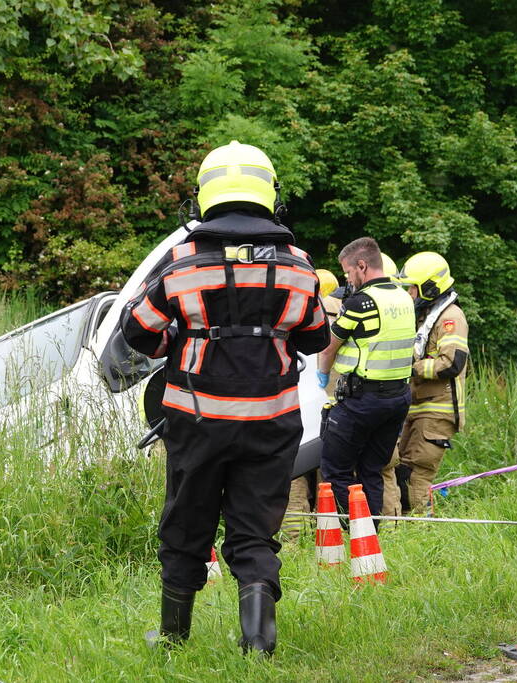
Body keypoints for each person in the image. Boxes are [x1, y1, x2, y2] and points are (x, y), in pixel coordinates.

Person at [120, 140, 330, 655]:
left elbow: (137, 329)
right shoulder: (299, 265)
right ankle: (257, 642)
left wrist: (182, 339)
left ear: (204, 197)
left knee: (186, 523)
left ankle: (173, 637)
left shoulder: (181, 261)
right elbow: (316, 338)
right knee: (255, 529)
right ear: (269, 194)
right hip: (272, 422)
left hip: (197, 423)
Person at [315, 237, 415, 525]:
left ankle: (353, 533)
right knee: (372, 469)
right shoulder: (403, 297)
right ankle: (373, 537)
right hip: (397, 398)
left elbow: (328, 346)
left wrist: (322, 376)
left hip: (361, 400)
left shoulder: (362, 302)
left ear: (362, 265)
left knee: (335, 470)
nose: (347, 279)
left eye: (348, 272)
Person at [383, 252, 469, 514]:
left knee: (416, 477)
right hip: (418, 408)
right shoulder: (427, 316)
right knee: (403, 471)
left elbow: (452, 362)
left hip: (437, 411)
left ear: (431, 287)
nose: (410, 294)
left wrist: (411, 368)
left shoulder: (450, 318)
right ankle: (412, 528)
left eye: (413, 288)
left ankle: (423, 531)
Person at [282, 268, 341, 542]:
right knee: (327, 483)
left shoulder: (295, 317)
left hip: (298, 416)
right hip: (333, 417)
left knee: (292, 482)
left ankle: (293, 541)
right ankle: (329, 538)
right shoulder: (346, 318)